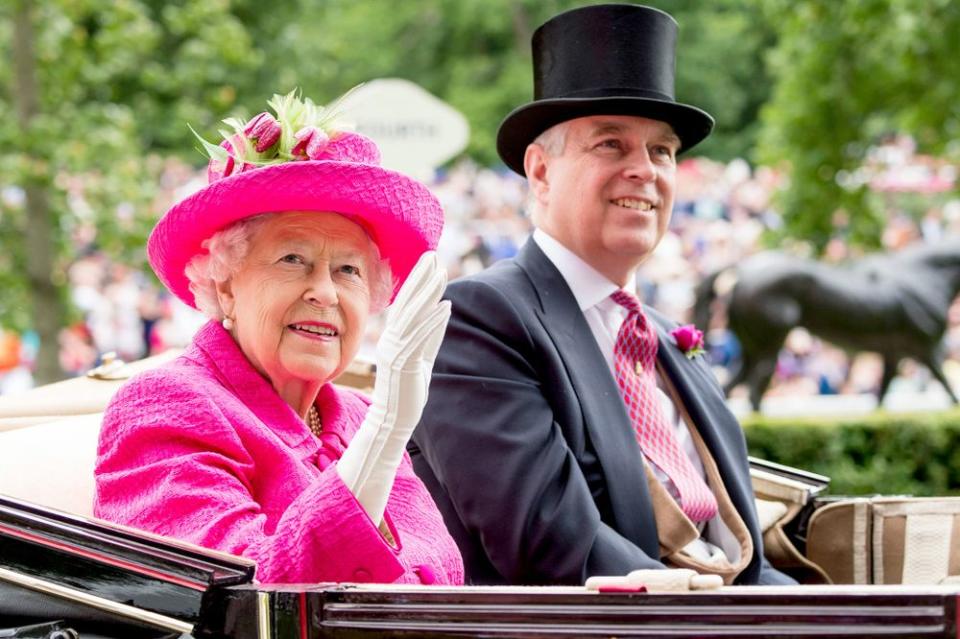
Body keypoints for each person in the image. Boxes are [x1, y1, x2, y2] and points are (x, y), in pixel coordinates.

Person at [410, 4, 794, 586]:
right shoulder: (478, 319)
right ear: (540, 172)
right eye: (611, 144)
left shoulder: (669, 336)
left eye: (661, 151)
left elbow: (748, 565)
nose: (645, 170)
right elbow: (552, 545)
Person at [94, 90, 464, 585]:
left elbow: (439, 573)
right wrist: (383, 436)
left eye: (349, 270)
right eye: (293, 259)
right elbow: (248, 599)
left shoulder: (354, 415)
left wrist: (378, 432)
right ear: (225, 283)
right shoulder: (162, 406)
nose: (325, 293)